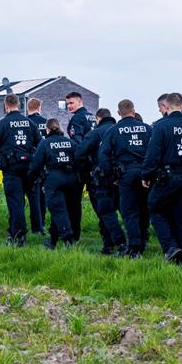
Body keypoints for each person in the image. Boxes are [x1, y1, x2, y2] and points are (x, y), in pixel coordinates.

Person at [142, 93, 182, 264]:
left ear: (167, 107)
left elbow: (153, 154)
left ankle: (170, 247)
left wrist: (147, 174)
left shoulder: (161, 126)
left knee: (155, 208)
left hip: (167, 178)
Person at [0, 94, 41, 246]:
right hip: (29, 166)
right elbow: (40, 144)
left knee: (15, 202)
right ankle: (27, 229)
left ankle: (18, 236)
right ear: (19, 105)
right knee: (25, 200)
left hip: (11, 167)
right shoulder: (29, 123)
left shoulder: (2, 123)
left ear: (6, 106)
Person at [100, 100, 152, 258]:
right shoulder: (148, 129)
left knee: (129, 212)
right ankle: (143, 242)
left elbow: (104, 156)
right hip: (145, 174)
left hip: (126, 175)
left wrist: (111, 176)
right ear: (134, 111)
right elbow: (156, 151)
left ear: (118, 113)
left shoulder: (113, 130)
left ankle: (134, 247)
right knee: (144, 210)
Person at [80, 108, 126, 254]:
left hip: (102, 179)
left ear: (98, 118)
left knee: (105, 212)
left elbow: (80, 152)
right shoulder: (121, 130)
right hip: (123, 177)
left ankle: (115, 243)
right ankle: (127, 242)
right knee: (126, 211)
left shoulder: (95, 133)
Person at [29, 119, 76, 249]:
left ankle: (68, 239)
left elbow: (36, 165)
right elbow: (78, 159)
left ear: (47, 129)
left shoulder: (45, 143)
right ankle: (53, 241)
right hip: (71, 179)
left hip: (54, 179)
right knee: (60, 210)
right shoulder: (70, 142)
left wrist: (32, 179)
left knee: (58, 210)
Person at [63, 91, 96, 243]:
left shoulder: (77, 119)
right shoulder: (91, 116)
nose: (69, 106)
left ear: (80, 102)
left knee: (74, 202)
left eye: (72, 103)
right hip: (94, 163)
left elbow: (78, 144)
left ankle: (74, 235)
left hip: (82, 165)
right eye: (67, 103)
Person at [25, 98, 48, 235]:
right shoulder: (46, 123)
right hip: (44, 164)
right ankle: (41, 224)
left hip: (29, 162)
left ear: (28, 108)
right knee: (41, 197)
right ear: (39, 108)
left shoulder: (25, 122)